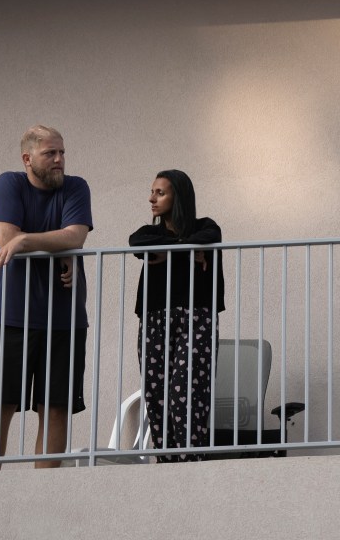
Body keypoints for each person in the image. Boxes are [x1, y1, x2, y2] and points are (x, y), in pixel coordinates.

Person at [0, 124, 93, 470]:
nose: (59, 160)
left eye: (62, 153)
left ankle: (44, 495)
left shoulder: (76, 187)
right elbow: (5, 235)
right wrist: (56, 246)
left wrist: (28, 242)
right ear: (28, 158)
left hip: (66, 319)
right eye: (50, 154)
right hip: (11, 316)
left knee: (56, 408)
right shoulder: (9, 183)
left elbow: (76, 235)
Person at [129, 170, 225, 462]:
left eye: (160, 192)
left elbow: (210, 236)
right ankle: (166, 462)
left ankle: (190, 461)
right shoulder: (152, 233)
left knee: (185, 392)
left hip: (197, 319)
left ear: (178, 196)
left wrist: (170, 252)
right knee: (156, 397)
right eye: (152, 191)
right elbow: (135, 241)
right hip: (155, 319)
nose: (152, 198)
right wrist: (187, 252)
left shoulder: (205, 227)